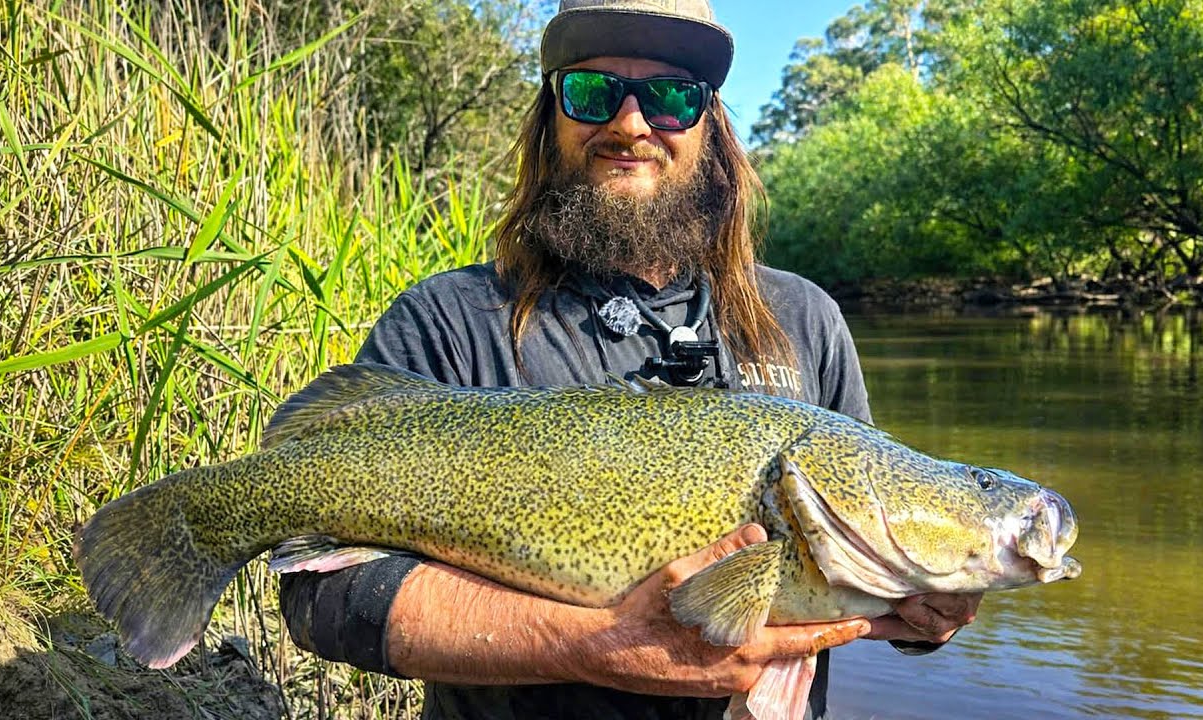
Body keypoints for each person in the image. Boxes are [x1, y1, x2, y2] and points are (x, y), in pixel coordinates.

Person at [280, 1, 981, 718]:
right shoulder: (451, 320)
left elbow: (871, 542)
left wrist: (927, 604)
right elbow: (320, 597)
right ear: (549, 118)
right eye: (592, 91)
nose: (630, 123)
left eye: (671, 96)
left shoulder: (806, 319)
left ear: (711, 127)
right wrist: (592, 644)